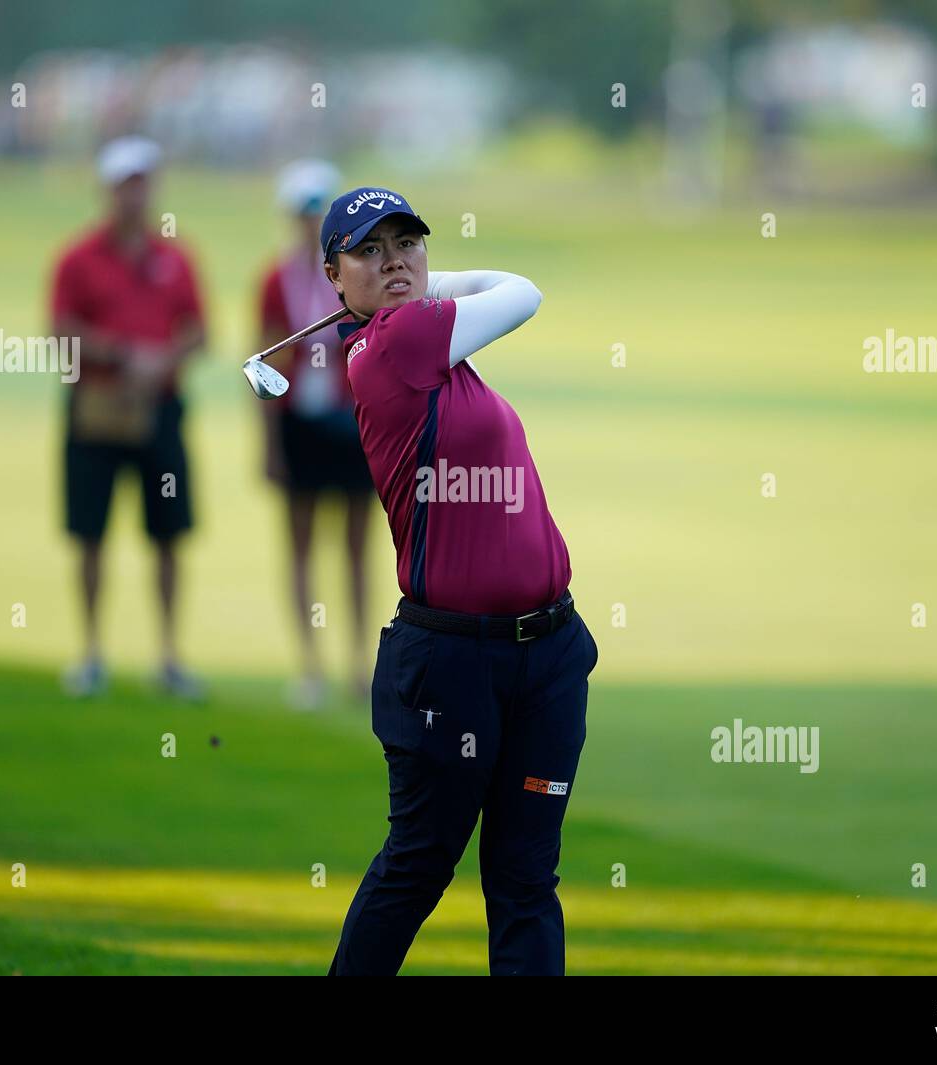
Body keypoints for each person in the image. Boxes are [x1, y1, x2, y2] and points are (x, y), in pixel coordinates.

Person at [319, 187, 599, 976]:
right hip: (453, 664)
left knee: (525, 879)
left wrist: (416, 279)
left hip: (547, 654)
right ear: (335, 278)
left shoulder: (435, 350)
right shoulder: (397, 345)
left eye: (407, 243)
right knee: (418, 865)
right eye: (369, 250)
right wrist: (426, 287)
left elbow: (494, 295)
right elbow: (522, 292)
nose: (394, 259)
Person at [51, 135, 207, 700]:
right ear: (107, 190)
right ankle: (91, 652)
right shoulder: (79, 257)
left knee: (168, 534)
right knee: (90, 532)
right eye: (125, 184)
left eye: (142, 183)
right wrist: (121, 353)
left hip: (160, 409)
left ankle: (169, 656)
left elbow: (198, 331)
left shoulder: (175, 256)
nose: (134, 195)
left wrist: (161, 360)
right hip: (95, 411)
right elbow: (60, 333)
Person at [254, 160, 375, 709]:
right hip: (301, 421)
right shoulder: (277, 280)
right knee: (300, 546)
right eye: (304, 214)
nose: (311, 225)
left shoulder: (359, 275)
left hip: (355, 422)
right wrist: (269, 442)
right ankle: (310, 667)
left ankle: (358, 665)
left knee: (356, 548)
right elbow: (265, 363)